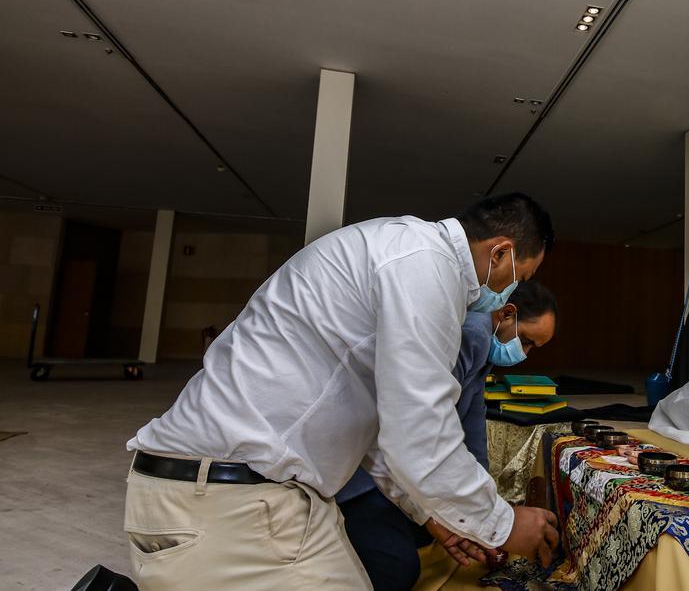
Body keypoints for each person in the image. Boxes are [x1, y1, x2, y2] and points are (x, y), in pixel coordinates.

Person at [123, 193, 560, 590]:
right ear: (500, 251)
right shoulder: (426, 267)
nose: (511, 290)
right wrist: (502, 523)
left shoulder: (399, 246)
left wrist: (432, 514)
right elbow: (420, 433)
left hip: (216, 487)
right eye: (519, 276)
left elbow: (378, 435)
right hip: (231, 500)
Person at [338, 280, 559, 590]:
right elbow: (416, 432)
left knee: (437, 529)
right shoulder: (472, 333)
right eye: (526, 340)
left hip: (401, 470)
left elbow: (472, 429)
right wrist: (488, 521)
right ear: (507, 313)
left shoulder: (483, 349)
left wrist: (482, 507)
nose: (524, 353)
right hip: (366, 476)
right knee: (396, 566)